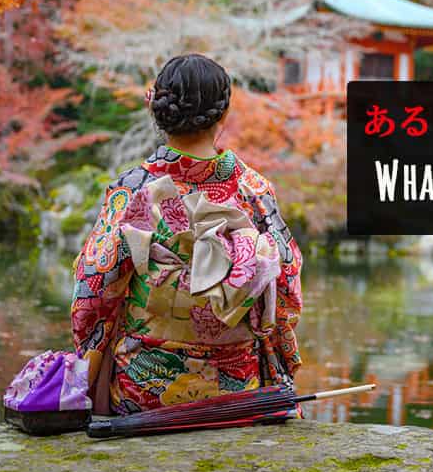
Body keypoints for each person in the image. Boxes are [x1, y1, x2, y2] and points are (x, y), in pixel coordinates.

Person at [70, 54, 302, 415]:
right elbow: (286, 286)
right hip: (237, 387)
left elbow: (95, 287)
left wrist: (87, 366)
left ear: (158, 109)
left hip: (144, 388)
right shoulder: (253, 189)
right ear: (223, 114)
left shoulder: (133, 188)